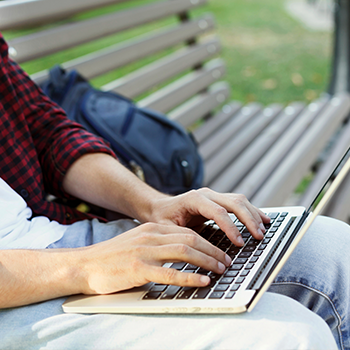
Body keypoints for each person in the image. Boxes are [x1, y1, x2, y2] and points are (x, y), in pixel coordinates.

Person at [0, 32, 348, 349]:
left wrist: (152, 204)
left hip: (53, 237)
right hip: (19, 292)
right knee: (290, 335)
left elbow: (45, 130)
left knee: (333, 250)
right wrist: (85, 267)